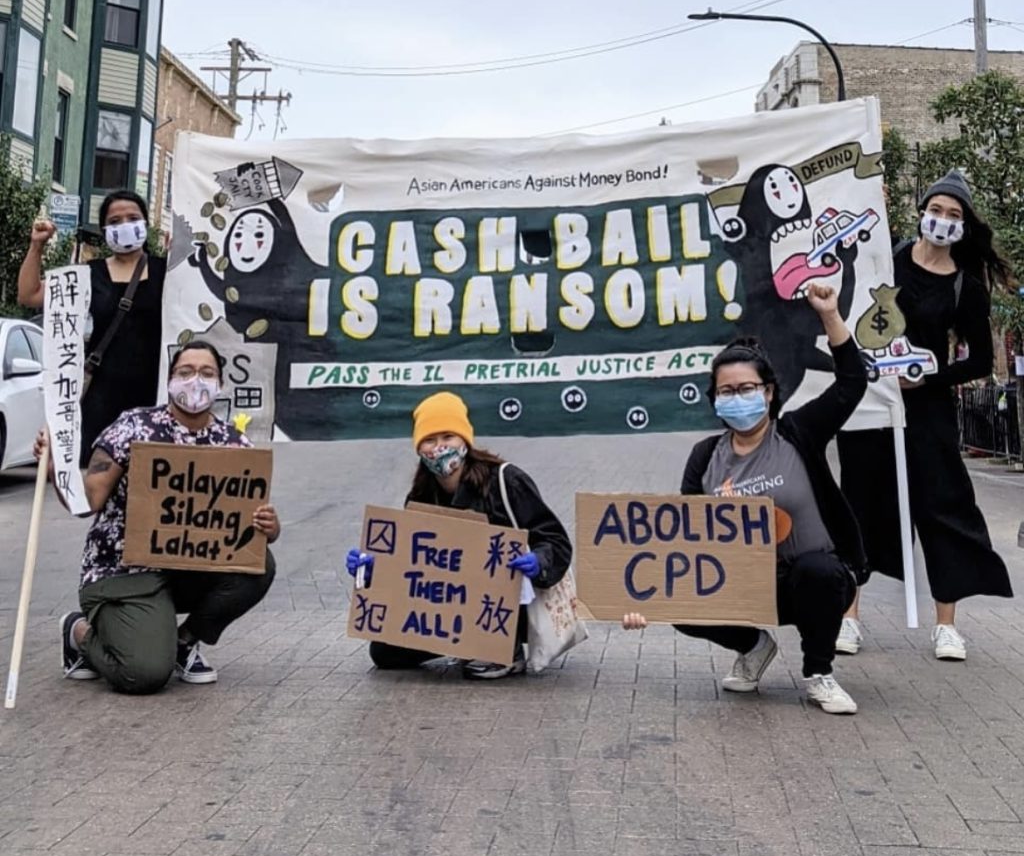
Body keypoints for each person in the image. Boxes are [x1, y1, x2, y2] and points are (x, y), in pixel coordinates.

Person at [622, 282, 868, 715]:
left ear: (769, 393)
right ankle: (754, 647)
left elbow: (852, 383)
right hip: (743, 584)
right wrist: (642, 601)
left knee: (820, 571)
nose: (738, 398)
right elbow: (684, 541)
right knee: (682, 600)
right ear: (714, 399)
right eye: (727, 391)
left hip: (813, 579)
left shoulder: (797, 434)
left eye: (747, 388)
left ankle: (818, 673)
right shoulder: (706, 458)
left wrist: (829, 316)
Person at [836, 170, 1013, 661]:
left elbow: (978, 359)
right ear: (921, 213)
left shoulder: (964, 287)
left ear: (964, 224)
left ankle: (946, 625)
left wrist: (927, 378)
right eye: (936, 210)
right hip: (873, 402)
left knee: (942, 507)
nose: (942, 221)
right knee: (862, 504)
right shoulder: (887, 260)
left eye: (954, 215)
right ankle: (849, 616)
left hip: (928, 411)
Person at [40, 341, 280, 694]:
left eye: (207, 373)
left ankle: (183, 642)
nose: (195, 381)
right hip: (123, 570)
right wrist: (54, 467)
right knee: (145, 674)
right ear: (169, 380)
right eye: (185, 372)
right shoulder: (134, 427)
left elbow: (242, 527)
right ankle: (78, 632)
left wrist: (269, 528)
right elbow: (89, 499)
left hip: (186, 567)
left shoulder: (233, 444)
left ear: (220, 384)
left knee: (260, 564)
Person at [345, 391, 572, 679]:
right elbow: (410, 565)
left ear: (464, 440)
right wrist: (375, 567)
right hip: (452, 605)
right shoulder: (420, 496)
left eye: (447, 437)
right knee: (385, 653)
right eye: (429, 440)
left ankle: (505, 650)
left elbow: (556, 540)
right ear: (418, 448)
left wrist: (538, 561)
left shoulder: (506, 481)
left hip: (512, 605)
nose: (439, 448)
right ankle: (464, 641)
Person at [19, 190, 167, 465]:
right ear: (104, 230)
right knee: (98, 485)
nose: (124, 225)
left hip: (154, 395)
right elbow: (30, 295)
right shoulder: (88, 273)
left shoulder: (167, 271)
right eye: (115, 221)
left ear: (146, 224)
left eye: (133, 218)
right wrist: (36, 246)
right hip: (101, 395)